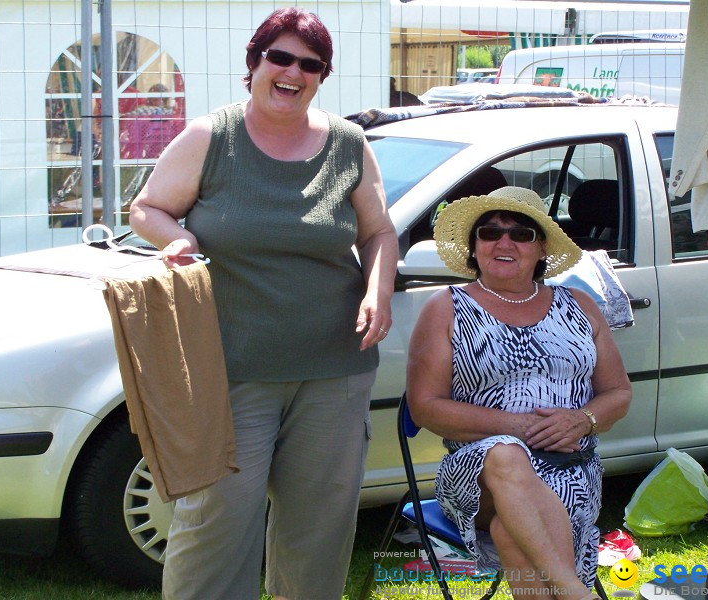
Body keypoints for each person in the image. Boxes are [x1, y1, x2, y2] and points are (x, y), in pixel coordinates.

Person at [128, 7, 397, 599]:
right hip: (230, 368)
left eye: (311, 64)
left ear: (322, 76)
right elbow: (146, 207)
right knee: (215, 524)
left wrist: (379, 289)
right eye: (281, 57)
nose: (293, 72)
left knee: (318, 530)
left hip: (335, 369)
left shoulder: (349, 145)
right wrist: (178, 238)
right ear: (254, 63)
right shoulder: (211, 137)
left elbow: (378, 231)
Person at [407, 186, 632, 600]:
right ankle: (575, 592)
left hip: (570, 468)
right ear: (474, 248)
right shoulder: (447, 307)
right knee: (506, 453)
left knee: (512, 531)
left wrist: (584, 419)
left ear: (541, 247)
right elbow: (425, 408)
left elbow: (618, 393)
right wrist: (519, 427)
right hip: (477, 474)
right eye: (489, 233)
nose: (503, 242)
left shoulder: (579, 305)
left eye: (520, 233)